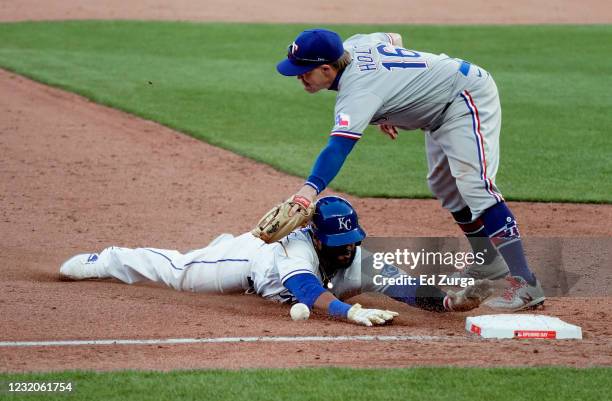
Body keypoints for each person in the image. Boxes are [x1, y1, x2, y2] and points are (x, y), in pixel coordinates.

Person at [273, 28, 545, 311]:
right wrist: (391, 97)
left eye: (304, 71)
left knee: (476, 187)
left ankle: (526, 283)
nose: (298, 76)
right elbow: (394, 38)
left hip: (465, 96)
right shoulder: (353, 45)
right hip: (439, 109)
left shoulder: (359, 92)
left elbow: (337, 149)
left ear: (327, 69)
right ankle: (488, 261)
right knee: (445, 188)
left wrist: (308, 191)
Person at [59, 196, 492, 327]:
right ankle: (108, 259)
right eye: (337, 242)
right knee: (180, 274)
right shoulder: (293, 246)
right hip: (251, 264)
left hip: (280, 287)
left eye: (351, 241)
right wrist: (351, 311)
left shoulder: (360, 256)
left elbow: (405, 289)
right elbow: (305, 290)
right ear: (316, 235)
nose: (347, 249)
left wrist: (452, 302)